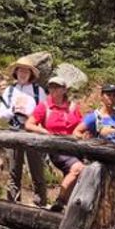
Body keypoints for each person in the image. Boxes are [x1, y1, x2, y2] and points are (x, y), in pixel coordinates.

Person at [80, 83, 115, 227]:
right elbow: (77, 132)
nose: (112, 98)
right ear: (102, 96)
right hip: (101, 161)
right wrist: (89, 143)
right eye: (108, 94)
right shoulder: (94, 117)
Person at [0, 54, 49, 204]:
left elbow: (45, 113)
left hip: (33, 132)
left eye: (26, 71)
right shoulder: (10, 91)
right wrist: (13, 110)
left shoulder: (39, 91)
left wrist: (31, 115)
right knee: (14, 170)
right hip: (14, 130)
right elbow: (2, 114)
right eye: (21, 71)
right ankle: (13, 202)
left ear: (31, 74)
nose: (23, 74)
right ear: (16, 72)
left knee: (37, 170)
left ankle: (40, 203)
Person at [28, 77, 87, 210]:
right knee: (78, 168)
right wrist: (43, 131)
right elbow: (29, 124)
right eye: (51, 87)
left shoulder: (72, 107)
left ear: (64, 89)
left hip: (75, 148)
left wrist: (82, 134)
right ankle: (59, 201)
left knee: (77, 174)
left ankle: (69, 208)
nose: (53, 90)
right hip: (57, 148)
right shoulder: (44, 106)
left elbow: (82, 125)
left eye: (57, 87)